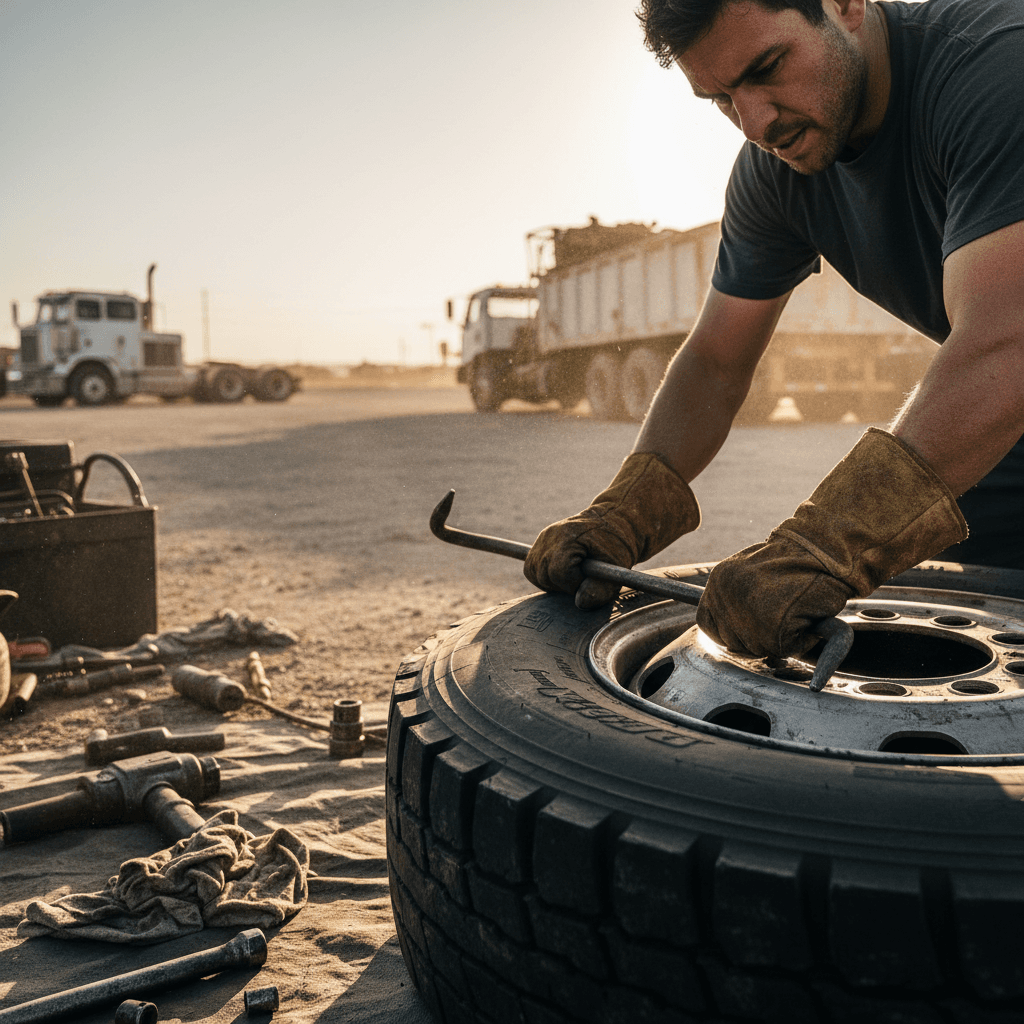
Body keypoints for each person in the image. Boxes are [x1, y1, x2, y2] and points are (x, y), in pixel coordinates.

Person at [524, 0, 1024, 660]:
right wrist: (631, 506)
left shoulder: (995, 67)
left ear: (844, 6)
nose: (756, 122)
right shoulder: (775, 174)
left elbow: (1006, 337)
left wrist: (829, 542)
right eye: (722, 99)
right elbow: (715, 360)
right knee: (923, 623)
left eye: (768, 68)